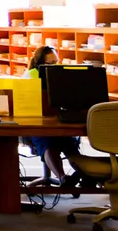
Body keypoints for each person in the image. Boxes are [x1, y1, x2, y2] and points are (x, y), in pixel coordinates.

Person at [26, 46, 82, 185]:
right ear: (40, 64)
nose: (55, 66)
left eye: (57, 62)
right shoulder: (31, 75)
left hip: (59, 118)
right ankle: (63, 178)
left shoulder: (60, 76)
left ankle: (85, 175)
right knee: (48, 143)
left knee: (69, 143)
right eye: (51, 63)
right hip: (38, 121)